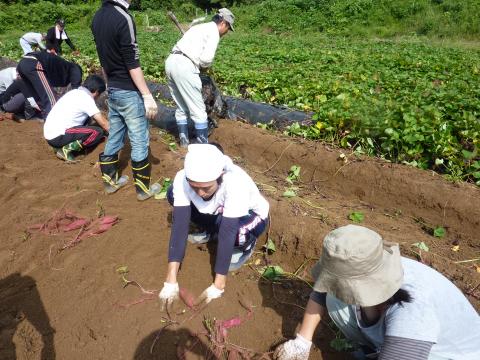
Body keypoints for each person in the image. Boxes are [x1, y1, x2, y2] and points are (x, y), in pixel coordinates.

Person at [274, 225, 480, 360]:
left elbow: (409, 322)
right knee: (335, 300)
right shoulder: (369, 265)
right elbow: (322, 289)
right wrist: (302, 341)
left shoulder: (412, 315)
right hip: (403, 333)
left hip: (445, 354)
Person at [158, 144, 270, 308]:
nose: (200, 193)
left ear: (221, 176)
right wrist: (170, 279)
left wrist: (219, 284)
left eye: (206, 188)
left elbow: (228, 231)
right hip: (219, 213)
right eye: (194, 187)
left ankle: (245, 246)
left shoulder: (235, 182)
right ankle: (209, 230)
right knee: (172, 195)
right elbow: (179, 226)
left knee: (237, 234)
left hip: (249, 217)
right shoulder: (182, 179)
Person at [91, 0, 160, 200]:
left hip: (113, 89)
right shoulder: (124, 17)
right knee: (139, 140)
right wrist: (147, 95)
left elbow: (103, 59)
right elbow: (132, 61)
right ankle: (143, 190)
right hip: (129, 91)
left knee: (115, 135)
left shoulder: (97, 17)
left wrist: (108, 85)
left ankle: (110, 183)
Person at [165, 8, 235, 147]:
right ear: (223, 23)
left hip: (171, 62)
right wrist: (204, 70)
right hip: (185, 66)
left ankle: (184, 144)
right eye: (228, 29)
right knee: (199, 113)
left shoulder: (199, 27)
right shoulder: (214, 32)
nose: (226, 33)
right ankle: (203, 149)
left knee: (181, 107)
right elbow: (206, 60)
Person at [43, 75, 109, 162]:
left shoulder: (74, 92)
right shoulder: (86, 99)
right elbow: (104, 123)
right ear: (96, 92)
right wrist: (115, 133)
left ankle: (60, 146)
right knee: (97, 132)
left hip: (50, 134)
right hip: (58, 136)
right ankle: (67, 150)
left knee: (89, 121)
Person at [16, 51, 82, 119]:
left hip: (22, 64)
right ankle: (55, 121)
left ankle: (47, 119)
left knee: (39, 98)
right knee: (50, 99)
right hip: (33, 62)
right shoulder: (74, 68)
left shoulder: (61, 68)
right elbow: (76, 89)